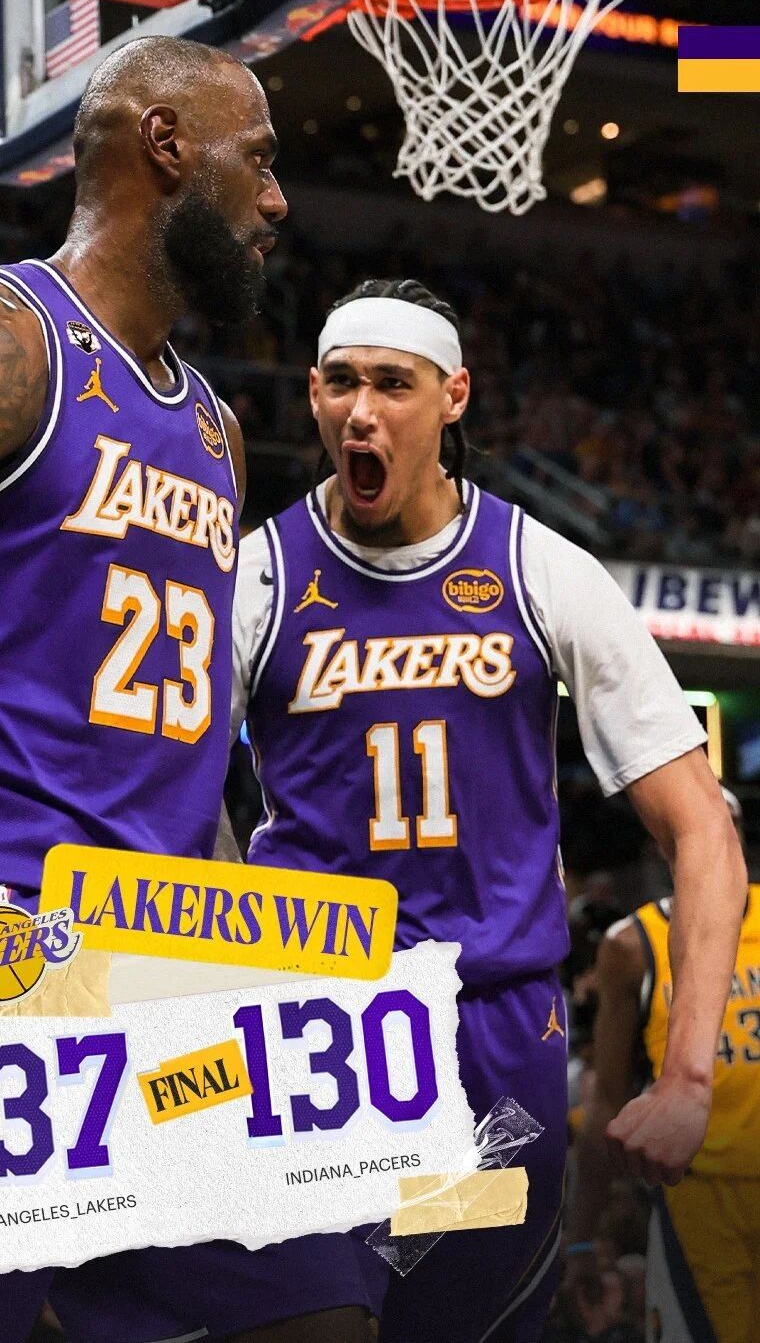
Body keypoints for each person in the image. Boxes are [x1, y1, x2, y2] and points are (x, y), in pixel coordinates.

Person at [0, 35, 377, 1343]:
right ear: (166, 144)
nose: (278, 201)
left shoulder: (215, 429)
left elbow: (187, 758)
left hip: (161, 962)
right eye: (259, 160)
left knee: (321, 1310)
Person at [230, 277, 747, 1342]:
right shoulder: (257, 577)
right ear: (312, 394)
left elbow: (703, 826)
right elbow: (156, 796)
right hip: (315, 1038)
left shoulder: (541, 570)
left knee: (450, 1323)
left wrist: (688, 1076)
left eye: (392, 384)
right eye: (339, 383)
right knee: (313, 1318)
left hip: (492, 1050)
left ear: (453, 397)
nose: (360, 411)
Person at [573, 788, 759, 1343]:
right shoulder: (632, 945)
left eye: (727, 826)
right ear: (664, 843)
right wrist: (581, 1236)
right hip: (699, 1201)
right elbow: (608, 1097)